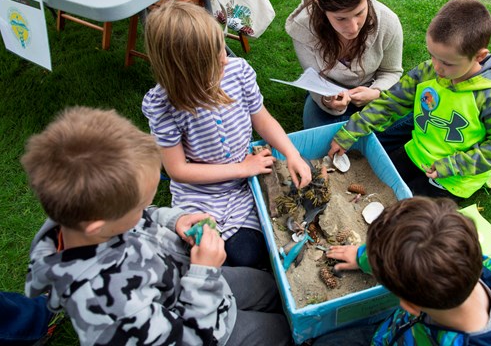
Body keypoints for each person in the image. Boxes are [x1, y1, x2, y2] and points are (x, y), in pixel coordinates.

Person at [21, 107, 292, 346]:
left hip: (189, 278)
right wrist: (204, 274)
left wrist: (173, 220)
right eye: (139, 206)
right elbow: (187, 339)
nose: (144, 210)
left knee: (270, 288)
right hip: (208, 327)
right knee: (279, 332)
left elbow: (141, 218)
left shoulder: (80, 215)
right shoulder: (109, 308)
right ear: (98, 226)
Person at [141, 1, 312, 269]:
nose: (224, 58)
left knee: (260, 246)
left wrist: (291, 153)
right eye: (213, 58)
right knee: (240, 255)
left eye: (221, 46)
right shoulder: (162, 104)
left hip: (244, 182)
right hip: (201, 192)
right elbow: (178, 170)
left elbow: (263, 119)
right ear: (184, 70)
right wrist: (242, 168)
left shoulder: (237, 71)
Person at [328, 0, 491, 202]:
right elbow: (391, 102)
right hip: (417, 152)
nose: (436, 67)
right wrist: (350, 131)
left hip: (454, 177)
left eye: (447, 62)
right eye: (432, 55)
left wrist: (455, 164)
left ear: (479, 57)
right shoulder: (428, 72)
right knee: (371, 186)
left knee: (403, 210)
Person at [319, 196, 491, 345]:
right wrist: (362, 257)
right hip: (394, 331)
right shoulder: (482, 266)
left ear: (411, 305)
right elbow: (415, 247)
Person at [286, 0, 413, 153]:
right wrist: (328, 101)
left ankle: (365, 144)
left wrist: (376, 92)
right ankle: (367, 145)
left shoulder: (388, 22)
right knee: (320, 140)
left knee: (410, 124)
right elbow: (314, 78)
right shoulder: (303, 27)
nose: (353, 27)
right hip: (328, 92)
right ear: (320, 7)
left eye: (359, 13)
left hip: (372, 90)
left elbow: (391, 71)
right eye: (341, 18)